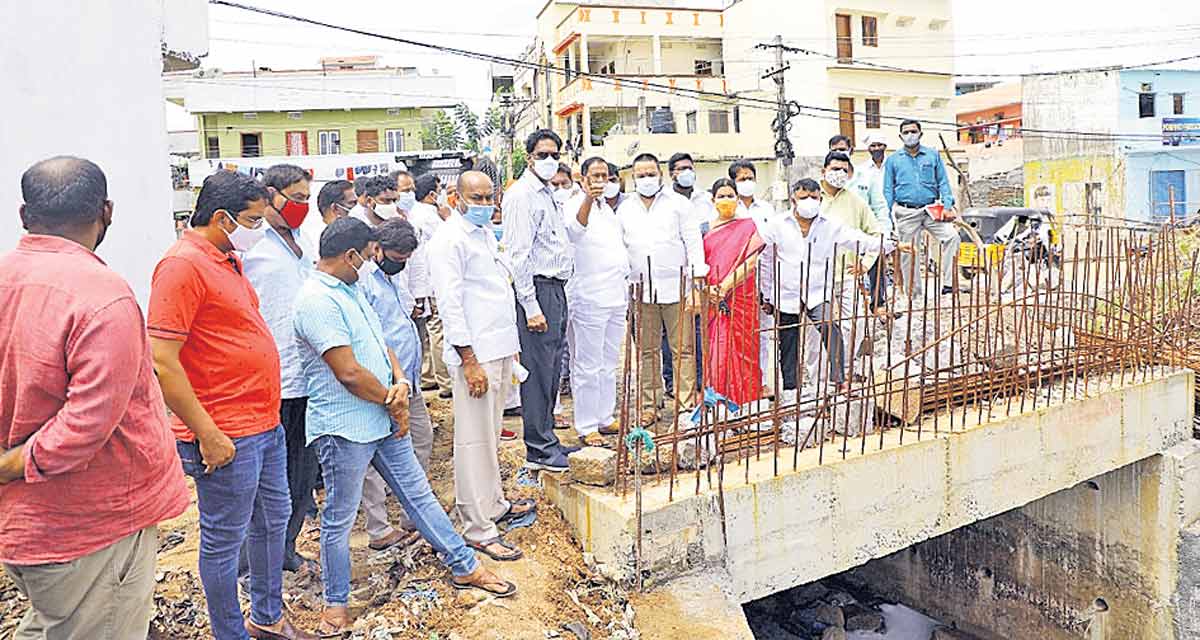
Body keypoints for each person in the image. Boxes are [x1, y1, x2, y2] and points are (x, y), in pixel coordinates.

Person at [293, 218, 515, 635]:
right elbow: (348, 372)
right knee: (339, 519)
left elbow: (382, 343)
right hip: (344, 427)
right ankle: (335, 604)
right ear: (351, 255)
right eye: (369, 255)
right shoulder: (316, 301)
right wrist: (391, 400)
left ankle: (465, 565)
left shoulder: (352, 289)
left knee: (420, 496)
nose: (373, 262)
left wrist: (399, 383)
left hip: (382, 415)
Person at [0, 156, 189, 639]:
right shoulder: (103, 297)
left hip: (29, 533)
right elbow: (85, 425)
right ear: (107, 211)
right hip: (87, 528)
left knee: (51, 624)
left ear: (25, 216)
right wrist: (12, 465)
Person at [148, 170, 315, 640]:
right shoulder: (182, 265)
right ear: (221, 218)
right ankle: (230, 633)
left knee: (273, 520)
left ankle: (267, 617)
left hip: (263, 423)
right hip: (224, 432)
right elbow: (163, 361)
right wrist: (207, 432)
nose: (258, 229)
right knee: (224, 541)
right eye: (251, 220)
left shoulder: (227, 259)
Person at [429, 170, 537, 560]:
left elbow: (494, 293)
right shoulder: (449, 241)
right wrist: (469, 360)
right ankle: (476, 527)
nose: (484, 204)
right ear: (456, 198)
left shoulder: (483, 235)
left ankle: (494, 505)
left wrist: (510, 351)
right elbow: (451, 305)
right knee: (473, 441)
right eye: (475, 197)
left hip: (498, 348)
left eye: (489, 196)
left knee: (490, 436)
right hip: (475, 355)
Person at [240, 164, 319, 577]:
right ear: (271, 194)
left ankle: (285, 550)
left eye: (308, 198)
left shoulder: (303, 241)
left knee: (301, 477)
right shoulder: (250, 246)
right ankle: (249, 561)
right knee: (265, 482)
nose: (302, 206)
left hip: (308, 376)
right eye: (296, 198)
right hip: (271, 381)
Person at [761, 179, 909, 396]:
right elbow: (765, 260)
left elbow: (858, 239)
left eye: (813, 197)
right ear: (793, 199)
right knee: (788, 340)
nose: (809, 202)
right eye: (803, 198)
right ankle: (791, 389)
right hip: (786, 292)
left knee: (831, 328)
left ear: (820, 199)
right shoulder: (776, 225)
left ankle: (839, 380)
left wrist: (891, 245)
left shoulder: (829, 225)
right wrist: (766, 294)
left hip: (817, 291)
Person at [359, 217, 440, 541]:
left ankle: (412, 515)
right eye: (396, 259)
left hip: (410, 383)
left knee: (421, 439)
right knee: (373, 455)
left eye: (405, 260)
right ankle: (378, 528)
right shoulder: (364, 281)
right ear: (378, 249)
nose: (400, 265)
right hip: (383, 385)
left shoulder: (394, 279)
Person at [502, 129, 576, 472]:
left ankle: (548, 439)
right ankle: (538, 447)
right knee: (538, 370)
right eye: (543, 154)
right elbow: (518, 255)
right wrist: (531, 306)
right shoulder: (521, 196)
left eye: (554, 154)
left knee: (551, 369)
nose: (550, 161)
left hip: (555, 289)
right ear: (529, 157)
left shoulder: (548, 194)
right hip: (538, 290)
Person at [617, 153, 708, 425]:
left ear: (661, 175)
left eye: (651, 173)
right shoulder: (624, 209)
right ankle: (649, 405)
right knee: (646, 350)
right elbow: (620, 248)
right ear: (633, 178)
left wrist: (696, 286)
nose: (647, 179)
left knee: (684, 349)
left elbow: (694, 245)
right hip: (640, 291)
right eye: (641, 175)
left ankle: (684, 404)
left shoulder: (679, 205)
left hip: (677, 288)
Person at [563, 157, 629, 447]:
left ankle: (604, 417)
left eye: (606, 175)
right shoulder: (573, 203)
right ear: (583, 178)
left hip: (615, 295)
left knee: (608, 361)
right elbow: (575, 232)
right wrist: (588, 199)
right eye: (595, 176)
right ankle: (586, 424)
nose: (601, 181)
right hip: (588, 297)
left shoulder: (610, 211)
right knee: (587, 365)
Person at [701, 178, 766, 405]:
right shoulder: (705, 230)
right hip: (713, 299)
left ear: (738, 200)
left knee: (745, 350)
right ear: (713, 200)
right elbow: (699, 264)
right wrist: (710, 290)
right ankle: (719, 400)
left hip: (740, 296)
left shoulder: (749, 227)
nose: (726, 200)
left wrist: (725, 286)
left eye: (730, 196)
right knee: (718, 351)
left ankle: (746, 401)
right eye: (721, 196)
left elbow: (750, 263)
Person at [882, 119, 962, 296]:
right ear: (901, 136)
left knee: (952, 237)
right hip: (906, 211)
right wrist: (886, 218)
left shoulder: (933, 155)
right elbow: (888, 190)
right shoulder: (893, 160)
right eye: (906, 132)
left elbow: (943, 182)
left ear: (920, 134)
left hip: (931, 209)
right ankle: (914, 294)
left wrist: (948, 205)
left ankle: (948, 284)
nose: (910, 135)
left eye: (913, 131)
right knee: (909, 252)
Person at [728, 159, 780, 396]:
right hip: (736, 280)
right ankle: (737, 381)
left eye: (750, 178)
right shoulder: (729, 209)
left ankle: (759, 380)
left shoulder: (767, 210)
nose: (747, 182)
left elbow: (772, 247)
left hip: (763, 278)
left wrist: (770, 288)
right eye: (741, 179)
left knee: (762, 333)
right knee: (737, 333)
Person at [821, 151, 890, 318]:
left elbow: (876, 233)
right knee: (818, 329)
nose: (840, 174)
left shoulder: (856, 201)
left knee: (854, 323)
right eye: (835, 169)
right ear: (823, 171)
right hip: (817, 276)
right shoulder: (812, 199)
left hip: (847, 275)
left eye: (845, 170)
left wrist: (866, 263)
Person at [412, 173, 453, 398]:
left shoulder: (416, 213)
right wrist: (448, 217)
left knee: (430, 332)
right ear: (432, 194)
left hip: (426, 280)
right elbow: (448, 241)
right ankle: (446, 382)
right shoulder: (431, 217)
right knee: (438, 330)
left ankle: (428, 376)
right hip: (435, 280)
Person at [829, 134, 889, 232]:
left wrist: (884, 234)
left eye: (842, 149)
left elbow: (879, 208)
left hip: (864, 234)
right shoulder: (828, 179)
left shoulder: (866, 176)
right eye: (834, 150)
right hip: (836, 235)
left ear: (851, 151)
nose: (838, 153)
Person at [858, 133, 892, 230]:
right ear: (868, 149)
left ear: (885, 146)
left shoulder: (893, 165)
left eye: (879, 145)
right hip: (874, 212)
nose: (876, 148)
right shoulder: (862, 169)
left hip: (894, 210)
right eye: (873, 146)